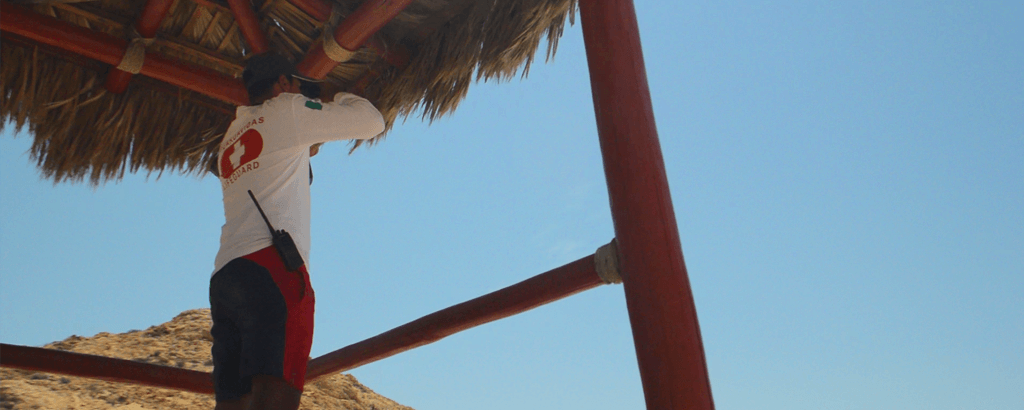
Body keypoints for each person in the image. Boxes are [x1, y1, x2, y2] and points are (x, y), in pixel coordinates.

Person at [209, 52, 385, 410]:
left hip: (226, 276)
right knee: (276, 397)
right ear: (284, 84)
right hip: (271, 269)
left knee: (234, 403)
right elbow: (372, 122)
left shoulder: (230, 139)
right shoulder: (287, 108)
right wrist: (339, 98)